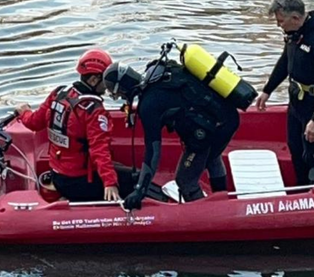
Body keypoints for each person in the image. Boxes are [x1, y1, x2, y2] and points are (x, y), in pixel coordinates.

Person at [103, 52, 240, 210]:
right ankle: (222, 200)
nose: (121, 97)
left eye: (118, 94)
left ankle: (212, 215)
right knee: (211, 156)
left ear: (123, 88)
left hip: (214, 128)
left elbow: (153, 153)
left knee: (185, 181)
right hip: (226, 115)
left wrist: (139, 191)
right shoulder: (156, 72)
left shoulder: (149, 105)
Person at [256, 0, 314, 185]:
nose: (279, 26)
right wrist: (267, 90)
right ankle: (301, 195)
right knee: (296, 150)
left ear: (295, 17)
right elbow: (286, 61)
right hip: (297, 104)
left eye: (281, 21)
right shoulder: (294, 34)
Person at [15, 48, 120, 202]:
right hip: (79, 182)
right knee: (134, 180)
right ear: (93, 80)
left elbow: (34, 122)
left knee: (117, 168)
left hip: (57, 176)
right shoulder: (93, 111)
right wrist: (110, 182)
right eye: (105, 80)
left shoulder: (58, 94)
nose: (107, 86)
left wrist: (24, 112)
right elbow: (99, 149)